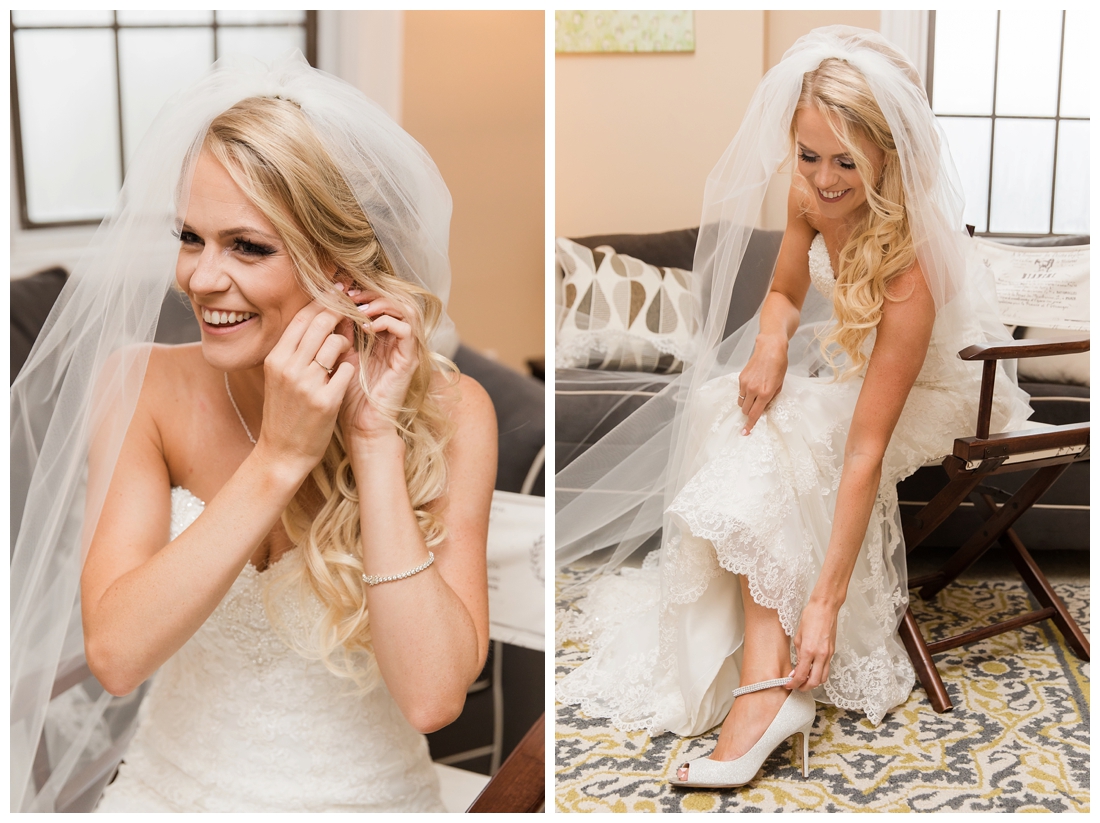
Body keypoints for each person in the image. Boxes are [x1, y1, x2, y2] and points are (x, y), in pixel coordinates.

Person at [10, 53, 496, 812]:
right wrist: (278, 456)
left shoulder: (455, 413)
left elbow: (433, 698)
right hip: (167, 795)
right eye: (191, 236)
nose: (201, 278)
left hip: (365, 800)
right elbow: (115, 654)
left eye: (248, 246)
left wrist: (373, 442)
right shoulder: (138, 386)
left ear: (340, 268)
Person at [555, 26, 1032, 789]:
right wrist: (771, 342)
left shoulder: (911, 263)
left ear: (889, 157)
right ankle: (763, 668)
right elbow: (781, 293)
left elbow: (865, 450)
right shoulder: (809, 194)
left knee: (791, 432)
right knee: (729, 403)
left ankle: (767, 685)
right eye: (809, 156)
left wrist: (825, 604)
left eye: (846, 161)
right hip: (854, 373)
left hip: (938, 396)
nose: (824, 178)